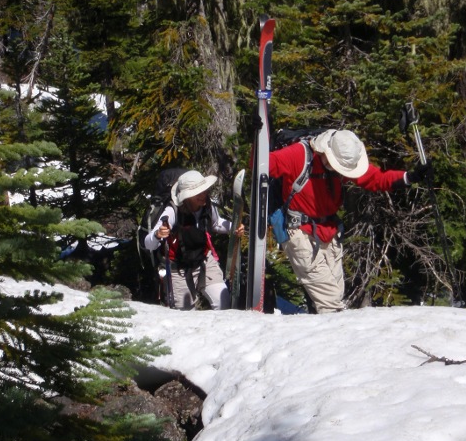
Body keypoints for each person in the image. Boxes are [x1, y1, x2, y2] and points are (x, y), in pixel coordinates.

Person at [269, 128, 430, 313]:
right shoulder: (298, 154)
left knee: (334, 297)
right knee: (331, 304)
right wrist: (259, 136)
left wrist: (409, 177)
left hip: (329, 233)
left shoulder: (340, 159)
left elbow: (374, 178)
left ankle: (318, 336)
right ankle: (334, 339)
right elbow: (261, 164)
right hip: (300, 234)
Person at [144, 170, 244, 310]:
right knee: (185, 315)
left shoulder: (207, 205)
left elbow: (216, 223)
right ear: (187, 196)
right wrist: (158, 235)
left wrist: (233, 228)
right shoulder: (172, 211)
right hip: (178, 268)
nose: (203, 195)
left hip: (204, 259)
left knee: (222, 302)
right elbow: (148, 243)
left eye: (204, 190)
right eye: (198, 193)